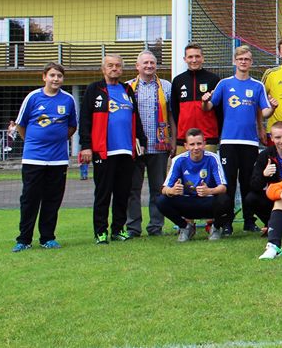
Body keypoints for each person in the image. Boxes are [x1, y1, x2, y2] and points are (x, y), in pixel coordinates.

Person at [203, 45, 274, 235]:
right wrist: (205, 100)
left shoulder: (257, 86)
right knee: (229, 183)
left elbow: (265, 111)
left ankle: (249, 221)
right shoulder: (225, 84)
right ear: (235, 61)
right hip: (228, 141)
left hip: (250, 142)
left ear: (251, 62)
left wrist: (273, 107)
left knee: (249, 182)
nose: (243, 62)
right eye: (240, 59)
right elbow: (209, 106)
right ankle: (226, 222)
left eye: (247, 59)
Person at [80, 54, 147, 244]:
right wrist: (86, 146)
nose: (114, 68)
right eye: (110, 65)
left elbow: (136, 118)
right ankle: (100, 231)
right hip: (103, 151)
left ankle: (118, 229)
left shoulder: (127, 89)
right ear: (103, 68)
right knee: (103, 193)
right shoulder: (94, 89)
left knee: (122, 193)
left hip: (125, 150)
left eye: (118, 65)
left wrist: (141, 141)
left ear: (122, 69)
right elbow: (85, 119)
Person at [12, 62, 77, 252]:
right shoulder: (33, 97)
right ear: (44, 77)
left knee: (52, 200)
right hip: (34, 159)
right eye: (52, 75)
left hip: (58, 160)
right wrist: (33, 142)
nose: (56, 79)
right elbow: (21, 125)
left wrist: (58, 139)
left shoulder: (68, 100)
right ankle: (24, 239)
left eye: (59, 76)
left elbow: (72, 126)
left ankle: (47, 238)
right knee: (29, 199)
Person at [126, 50, 175, 237]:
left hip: (159, 146)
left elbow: (171, 115)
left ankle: (156, 226)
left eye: (152, 63)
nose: (149, 66)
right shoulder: (127, 87)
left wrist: (173, 139)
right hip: (135, 146)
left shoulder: (166, 87)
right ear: (137, 66)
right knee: (133, 189)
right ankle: (133, 227)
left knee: (158, 188)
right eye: (145, 63)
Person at [157, 128, 231, 242]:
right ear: (186, 146)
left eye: (199, 144)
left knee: (226, 200)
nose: (196, 148)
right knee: (161, 201)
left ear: (204, 144)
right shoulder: (178, 160)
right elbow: (164, 188)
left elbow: (223, 187)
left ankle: (215, 228)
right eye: (192, 144)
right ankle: (185, 227)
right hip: (188, 202)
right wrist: (172, 191)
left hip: (207, 201)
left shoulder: (213, 158)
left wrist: (209, 191)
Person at [171, 43, 221, 153]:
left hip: (208, 138)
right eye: (190, 57)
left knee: (207, 165)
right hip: (184, 139)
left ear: (203, 58)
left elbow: (219, 111)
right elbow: (175, 111)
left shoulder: (214, 79)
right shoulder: (178, 80)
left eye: (197, 56)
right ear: (185, 59)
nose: (194, 60)